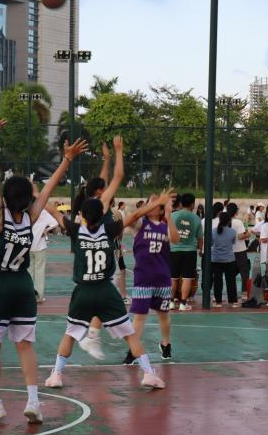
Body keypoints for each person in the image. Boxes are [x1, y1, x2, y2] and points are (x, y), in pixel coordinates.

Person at [0, 121, 87, 425]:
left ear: (5, 195)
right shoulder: (31, 216)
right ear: (27, 198)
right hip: (23, 286)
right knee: (25, 346)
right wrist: (66, 160)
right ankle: (34, 402)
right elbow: (49, 187)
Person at [46, 137, 165, 390]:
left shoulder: (75, 230)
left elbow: (53, 211)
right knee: (129, 334)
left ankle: (56, 375)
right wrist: (156, 203)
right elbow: (135, 214)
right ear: (103, 213)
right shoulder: (109, 230)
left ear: (82, 215)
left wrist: (38, 195)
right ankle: (148, 373)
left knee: (70, 333)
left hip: (83, 291)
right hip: (105, 289)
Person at [122, 190, 179, 364]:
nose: (151, 204)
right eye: (150, 202)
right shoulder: (140, 223)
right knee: (140, 315)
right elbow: (132, 217)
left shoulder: (164, 226)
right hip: (143, 277)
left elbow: (176, 239)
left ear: (161, 209)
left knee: (163, 315)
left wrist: (169, 216)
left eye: (156, 203)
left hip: (162, 277)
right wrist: (155, 202)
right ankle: (134, 350)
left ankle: (166, 344)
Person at [169, 192, 203, 312]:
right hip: (190, 251)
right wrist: (200, 250)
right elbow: (200, 238)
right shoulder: (196, 218)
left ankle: (171, 302)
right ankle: (183, 303)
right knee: (187, 278)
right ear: (192, 204)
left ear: (181, 203)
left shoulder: (173, 215)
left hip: (174, 250)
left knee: (173, 278)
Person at [211, 204, 240, 308]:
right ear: (229, 221)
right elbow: (233, 242)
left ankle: (218, 301)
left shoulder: (213, 231)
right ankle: (233, 301)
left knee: (217, 281)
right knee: (231, 280)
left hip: (216, 259)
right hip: (229, 259)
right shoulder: (232, 232)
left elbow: (211, 243)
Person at [29, 201, 59, 303]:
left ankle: (29, 294)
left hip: (28, 246)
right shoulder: (43, 212)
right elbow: (55, 223)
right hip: (40, 246)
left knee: (29, 271)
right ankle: (40, 296)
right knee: (40, 272)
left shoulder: (26, 212)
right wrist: (46, 230)